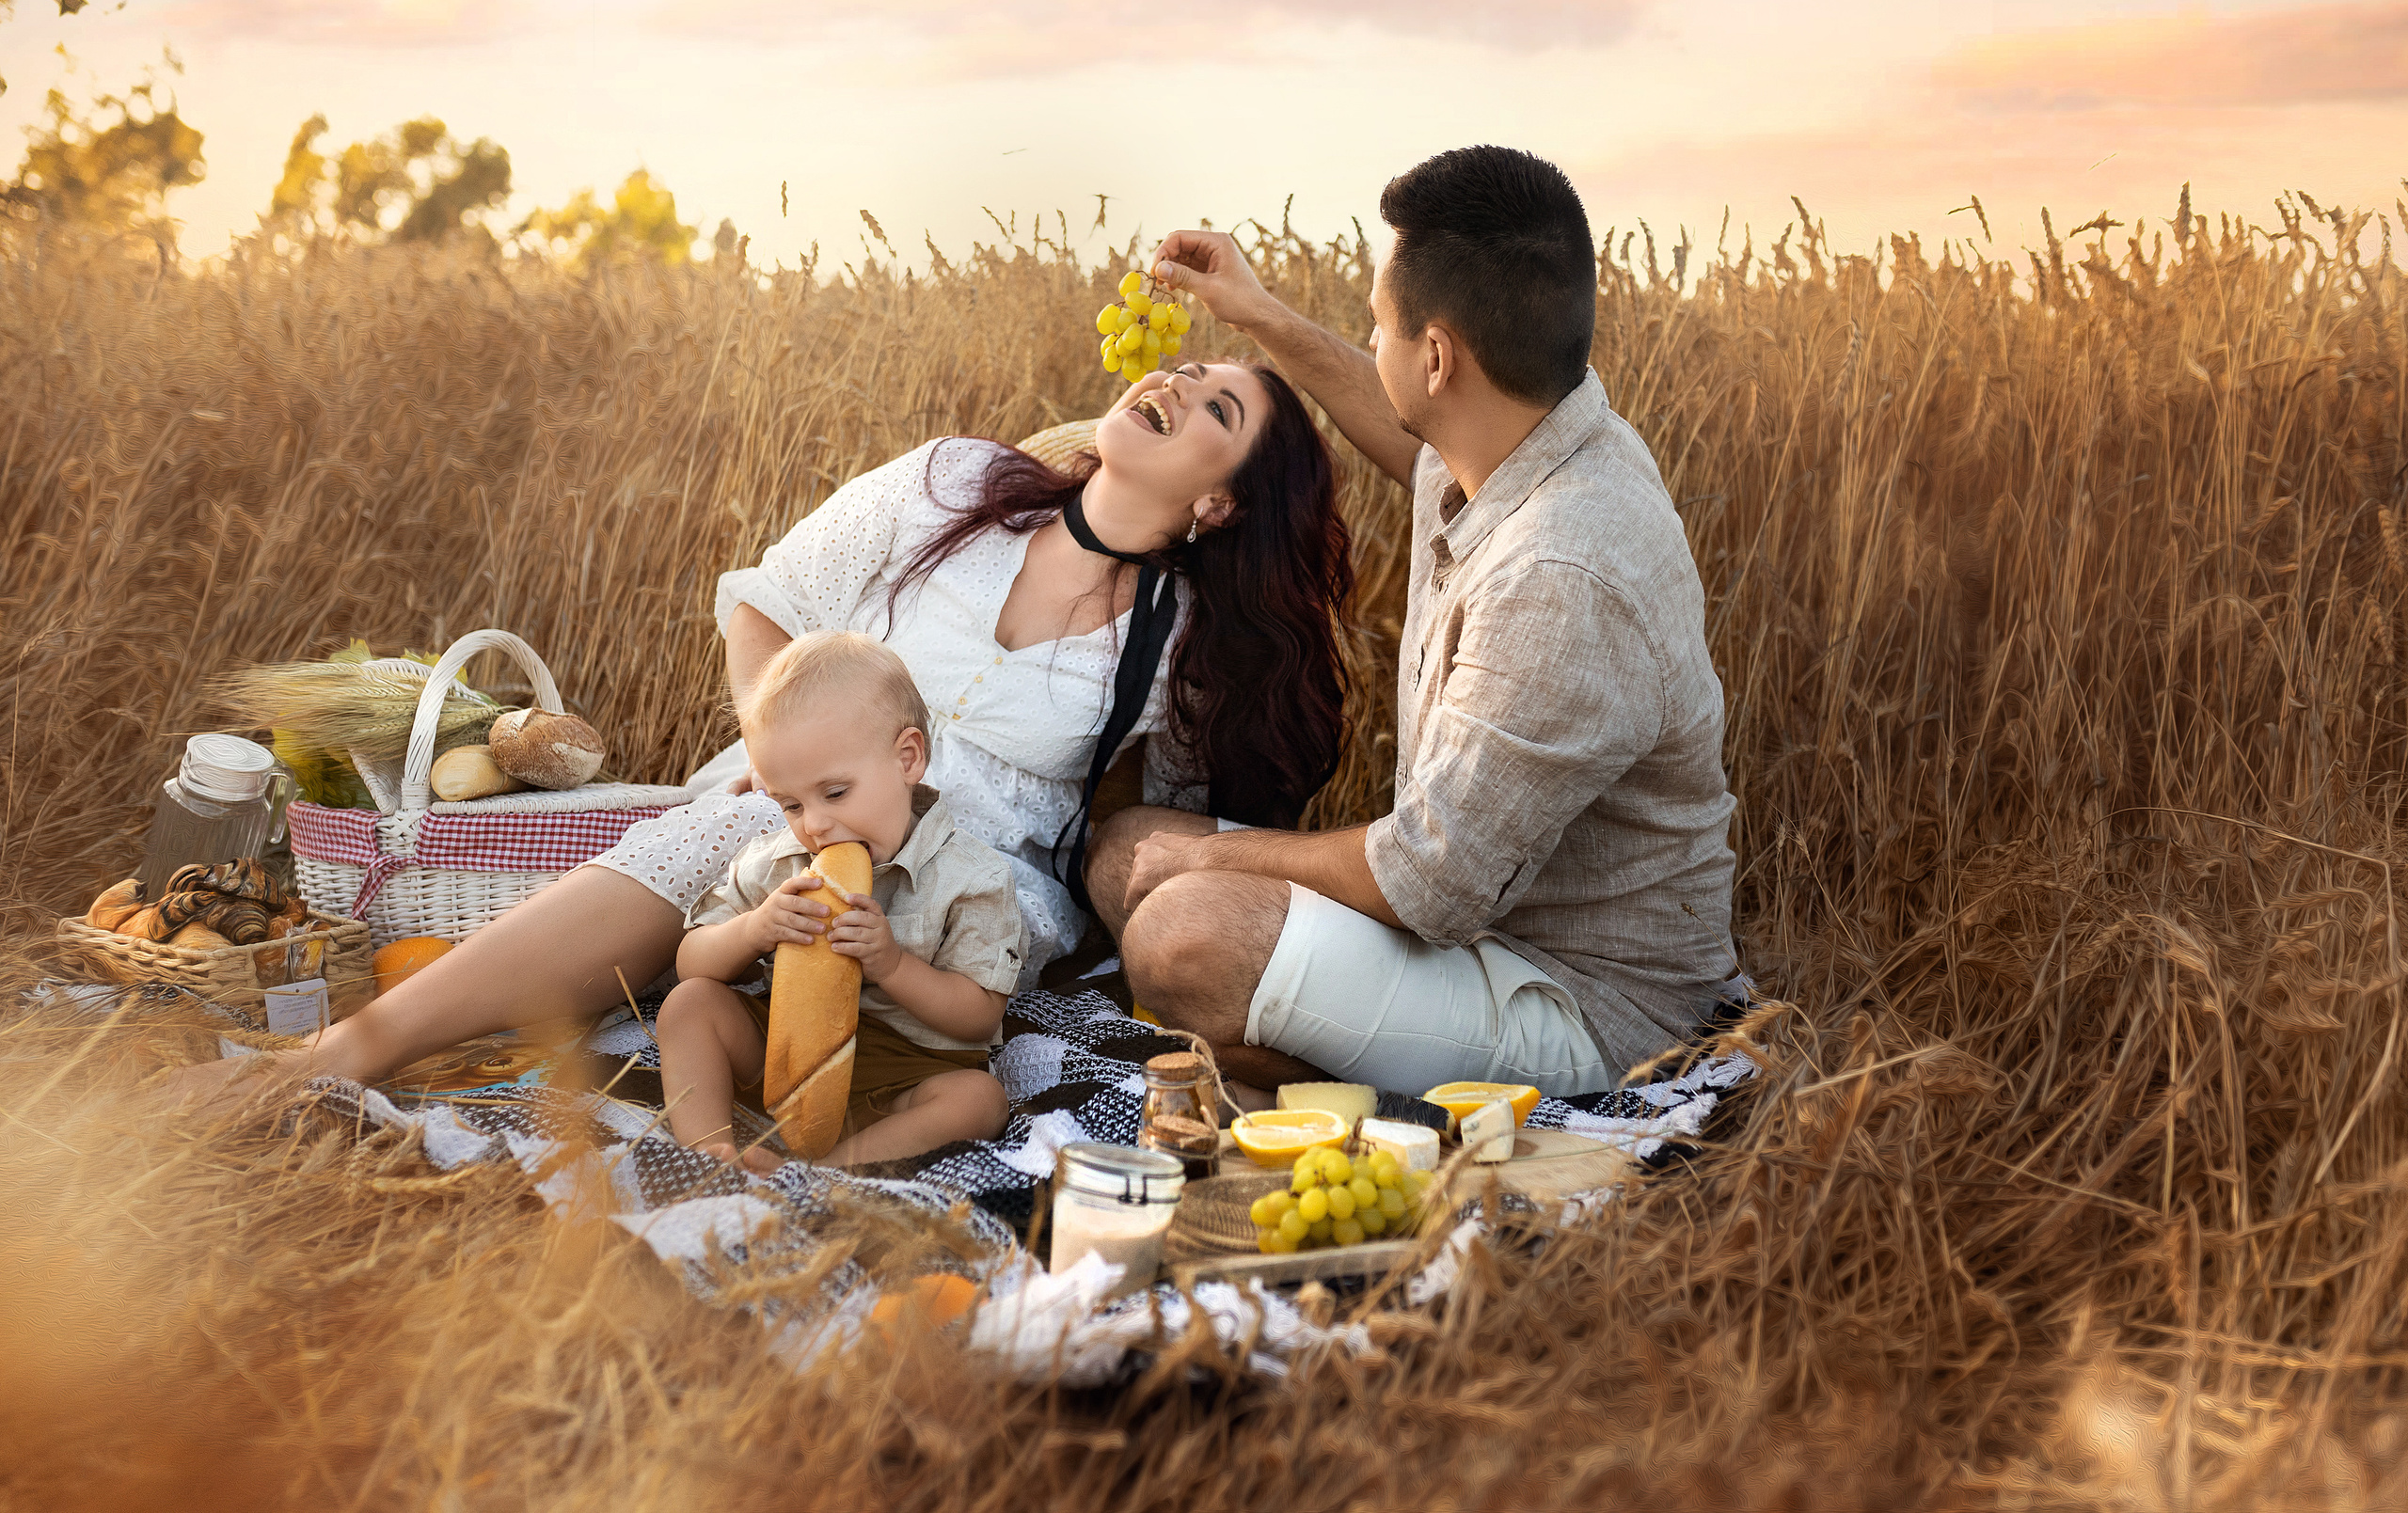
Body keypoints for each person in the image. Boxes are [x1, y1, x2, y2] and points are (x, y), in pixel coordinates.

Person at [179, 360, 1354, 1109]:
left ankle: (761, 1092)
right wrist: (770, 753)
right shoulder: (952, 487)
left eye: (1220, 407)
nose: (1180, 378)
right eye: (1189, 366)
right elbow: (766, 604)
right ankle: (345, 1056)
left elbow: (1177, 821)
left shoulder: (1186, 638)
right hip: (792, 803)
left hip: (971, 879)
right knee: (723, 846)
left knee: (823, 944)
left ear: (1219, 503)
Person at [1088, 146, 1742, 1102]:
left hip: (1586, 1004)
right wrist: (1259, 313)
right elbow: (1406, 431)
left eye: (1379, 325)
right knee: (1120, 845)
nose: (1369, 339)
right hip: (1464, 921)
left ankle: (1332, 1088)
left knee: (1181, 936)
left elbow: (1430, 883)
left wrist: (1212, 856)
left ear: (1435, 358)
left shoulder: (1563, 575)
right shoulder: (1543, 431)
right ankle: (1314, 1025)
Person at [659, 632, 1018, 1171]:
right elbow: (691, 964)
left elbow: (980, 1017)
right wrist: (754, 929)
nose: (815, 824)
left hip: (906, 1069)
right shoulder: (779, 865)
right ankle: (708, 1158)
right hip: (786, 1053)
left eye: (834, 793)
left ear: (907, 758)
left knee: (979, 1101)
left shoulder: (971, 879)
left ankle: (825, 1174)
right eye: (790, 804)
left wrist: (892, 965)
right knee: (689, 1006)